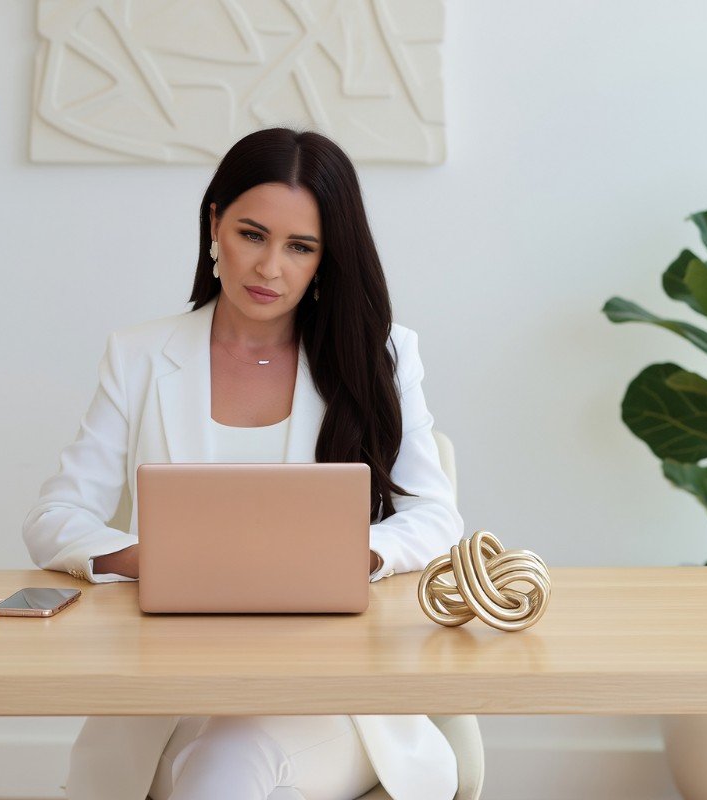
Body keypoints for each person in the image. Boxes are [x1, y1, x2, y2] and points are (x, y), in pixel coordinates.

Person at [23, 128, 464, 800]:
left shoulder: (380, 354)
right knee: (221, 752)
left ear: (326, 258)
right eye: (252, 235)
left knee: (232, 760)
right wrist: (140, 558)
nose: (270, 268)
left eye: (300, 247)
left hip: (330, 696)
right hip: (175, 692)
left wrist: (357, 556)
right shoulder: (139, 355)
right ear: (214, 226)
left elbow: (436, 517)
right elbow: (55, 517)